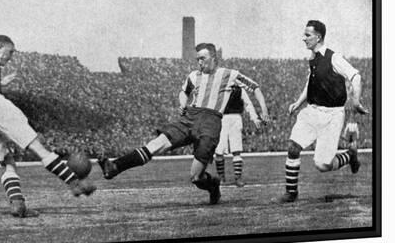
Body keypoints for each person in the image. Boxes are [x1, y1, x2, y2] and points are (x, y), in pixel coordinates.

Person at [98, 43, 269, 205]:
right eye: (197, 59)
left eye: (203, 58)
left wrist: (263, 111)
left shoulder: (229, 74)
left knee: (196, 177)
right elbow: (183, 91)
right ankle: (114, 166)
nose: (199, 62)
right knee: (157, 144)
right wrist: (182, 103)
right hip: (190, 118)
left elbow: (255, 87)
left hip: (211, 123)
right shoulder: (193, 75)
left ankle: (213, 185)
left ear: (214, 57)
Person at [0, 35, 96, 218]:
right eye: (10, 52)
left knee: (7, 161)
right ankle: (75, 183)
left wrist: (0, 83)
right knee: (38, 148)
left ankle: (18, 204)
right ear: (0, 47)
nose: (10, 57)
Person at [277, 20, 368, 203]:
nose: (304, 39)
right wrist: (297, 103)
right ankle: (291, 193)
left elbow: (355, 76)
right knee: (293, 147)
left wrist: (356, 101)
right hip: (312, 111)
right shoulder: (313, 58)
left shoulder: (334, 57)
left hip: (332, 115)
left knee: (323, 164)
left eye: (307, 35)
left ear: (318, 37)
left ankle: (349, 155)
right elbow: (310, 83)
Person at [214, 85, 262, 187]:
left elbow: (248, 103)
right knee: (219, 150)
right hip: (220, 119)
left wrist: (254, 117)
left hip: (235, 118)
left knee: (236, 150)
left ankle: (238, 178)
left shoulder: (239, 89)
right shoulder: (217, 87)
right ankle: (221, 177)